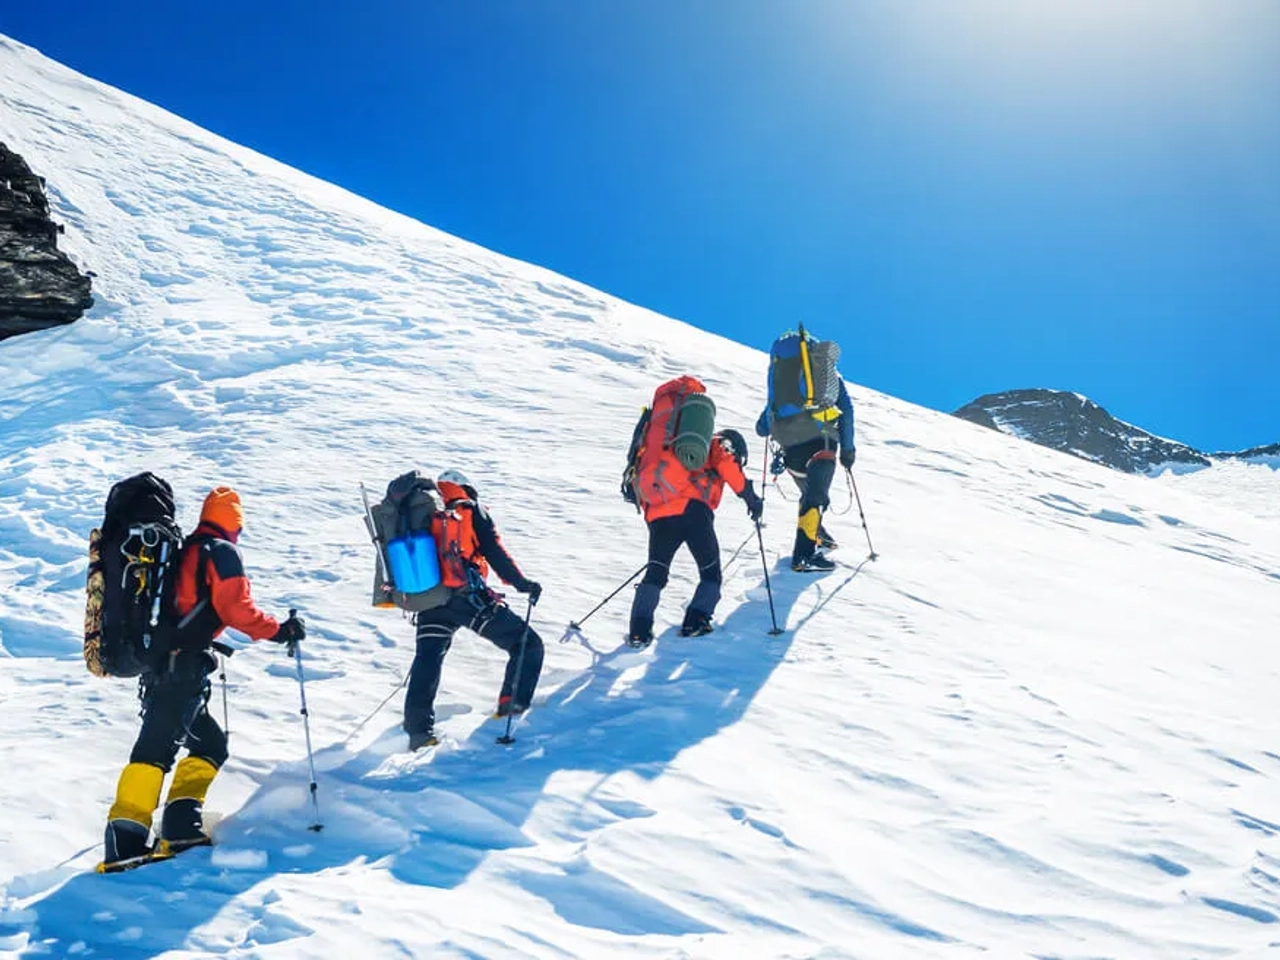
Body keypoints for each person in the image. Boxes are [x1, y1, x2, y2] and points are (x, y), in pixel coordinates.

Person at [103, 487, 305, 866]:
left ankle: (182, 826)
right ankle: (124, 842)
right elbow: (236, 609)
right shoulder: (220, 551)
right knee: (154, 751)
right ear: (235, 521)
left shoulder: (186, 549)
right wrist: (280, 631)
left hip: (170, 666)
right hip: (180, 672)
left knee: (210, 744)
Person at [403, 469, 544, 751]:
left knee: (428, 659)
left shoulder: (422, 512)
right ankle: (512, 705)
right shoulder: (468, 509)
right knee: (527, 644)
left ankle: (418, 733)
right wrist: (522, 584)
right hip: (466, 599)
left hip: (428, 601)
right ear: (466, 488)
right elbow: (493, 551)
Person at [625, 428, 764, 647]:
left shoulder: (673, 447)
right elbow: (727, 465)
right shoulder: (717, 444)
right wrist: (751, 497)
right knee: (710, 573)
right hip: (693, 511)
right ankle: (695, 622)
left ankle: (638, 632)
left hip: (658, 514)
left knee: (656, 572)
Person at [756, 331, 856, 573]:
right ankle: (804, 555)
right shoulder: (828, 377)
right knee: (816, 495)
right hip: (821, 440)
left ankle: (817, 533)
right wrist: (848, 450)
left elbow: (762, 427)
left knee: (811, 492)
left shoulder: (780, 378)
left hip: (789, 446)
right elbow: (846, 410)